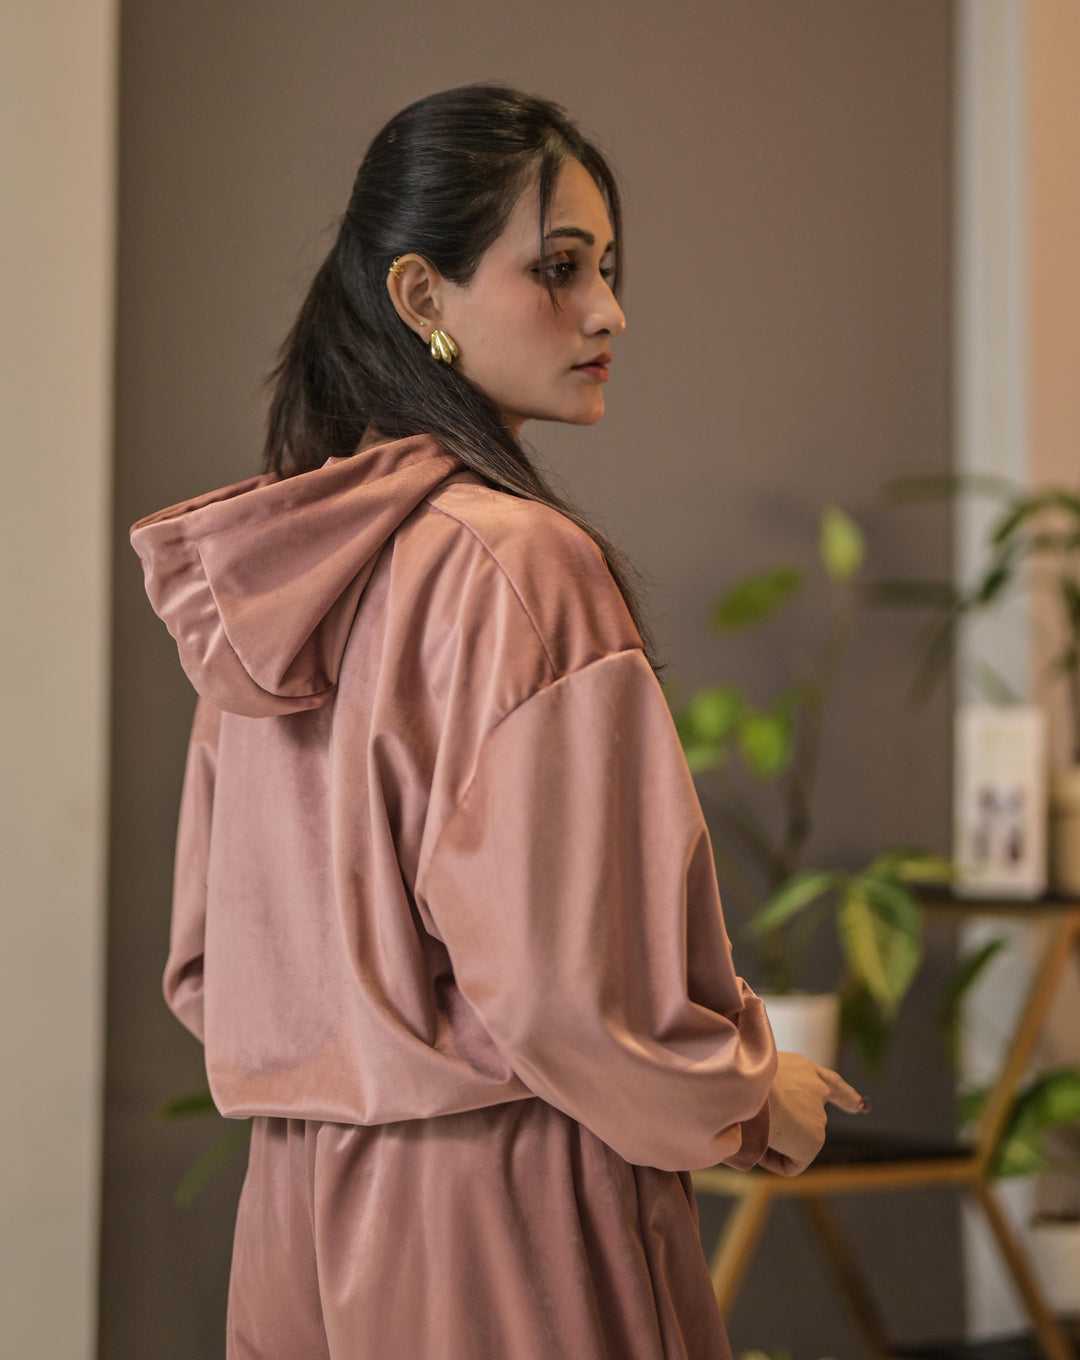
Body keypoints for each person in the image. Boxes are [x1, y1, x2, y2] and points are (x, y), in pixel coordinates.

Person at [130, 81, 867, 1360]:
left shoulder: (268, 582)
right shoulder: (521, 567)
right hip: (508, 1219)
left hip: (294, 1219)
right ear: (424, 298)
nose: (609, 311)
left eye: (610, 269)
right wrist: (754, 1100)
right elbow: (575, 996)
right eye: (560, 268)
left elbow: (209, 962)